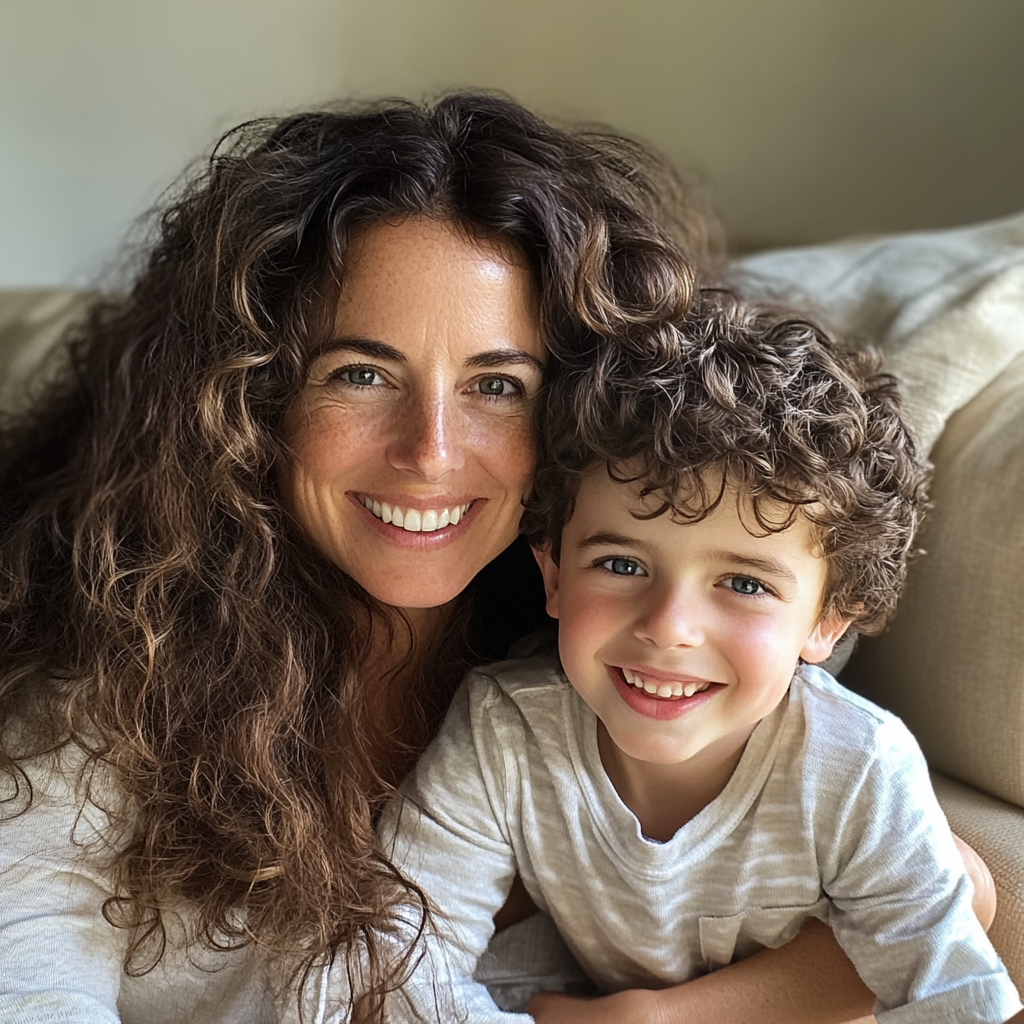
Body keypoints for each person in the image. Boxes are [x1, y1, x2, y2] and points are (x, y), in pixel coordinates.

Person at [0, 93, 995, 1024]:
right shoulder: (117, 669)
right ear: (249, 400)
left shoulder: (631, 651)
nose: (429, 451)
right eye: (360, 372)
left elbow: (953, 893)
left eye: (498, 385)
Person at [379, 292, 1023, 1024]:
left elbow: (958, 998)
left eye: (744, 583)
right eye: (621, 565)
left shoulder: (858, 768)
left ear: (826, 624)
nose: (670, 627)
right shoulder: (505, 729)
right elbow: (402, 962)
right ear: (554, 573)